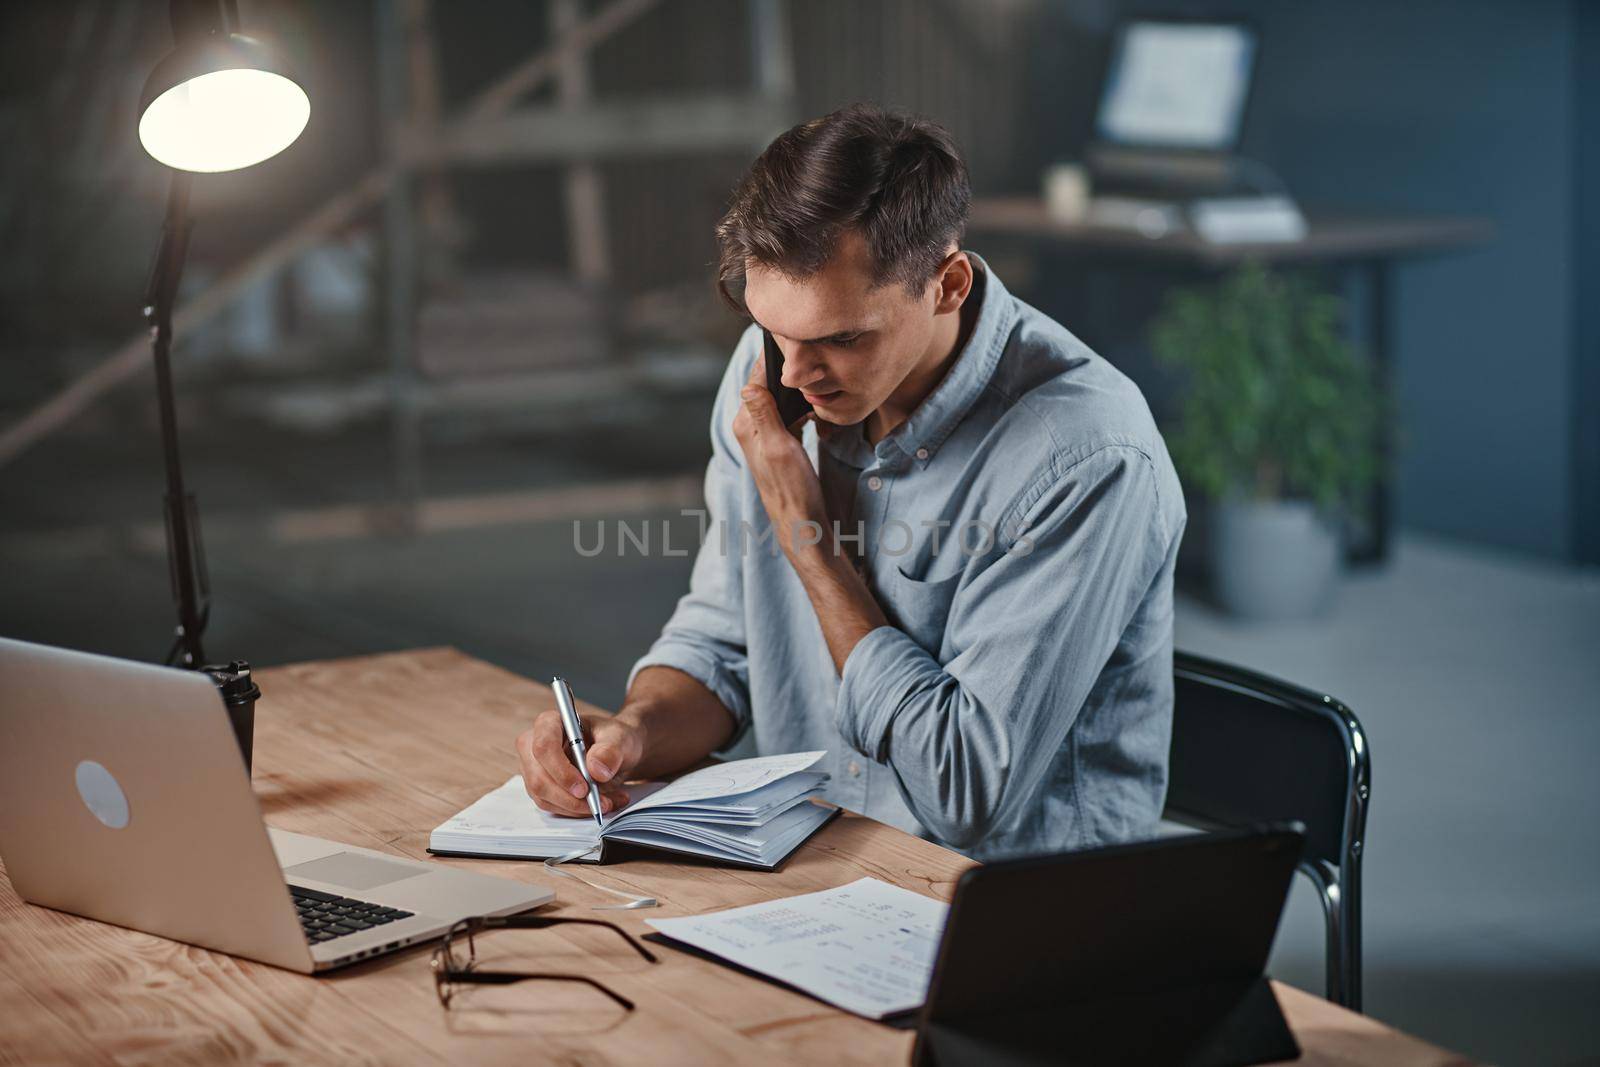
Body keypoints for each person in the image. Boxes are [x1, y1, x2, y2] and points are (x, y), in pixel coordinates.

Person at [516, 104, 1186, 859]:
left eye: (843, 338)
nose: (795, 376)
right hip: (812, 866)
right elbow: (727, 642)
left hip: (1013, 912)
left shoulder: (1086, 458)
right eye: (773, 329)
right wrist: (633, 735)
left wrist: (811, 546)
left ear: (948, 284)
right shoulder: (771, 372)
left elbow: (964, 791)